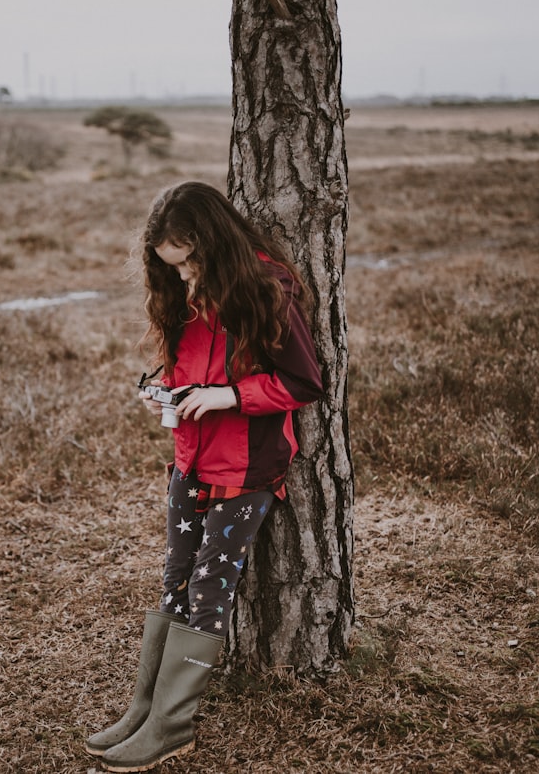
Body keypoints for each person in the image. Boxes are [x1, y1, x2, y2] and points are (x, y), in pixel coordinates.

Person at [86, 181, 324, 771]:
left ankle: (172, 724)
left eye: (190, 262)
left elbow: (304, 383)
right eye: (173, 265)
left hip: (245, 468)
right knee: (174, 578)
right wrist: (161, 387)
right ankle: (144, 707)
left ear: (212, 243)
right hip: (190, 458)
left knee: (207, 590)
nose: (184, 276)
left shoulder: (267, 289)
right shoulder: (181, 291)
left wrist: (226, 396)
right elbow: (189, 364)